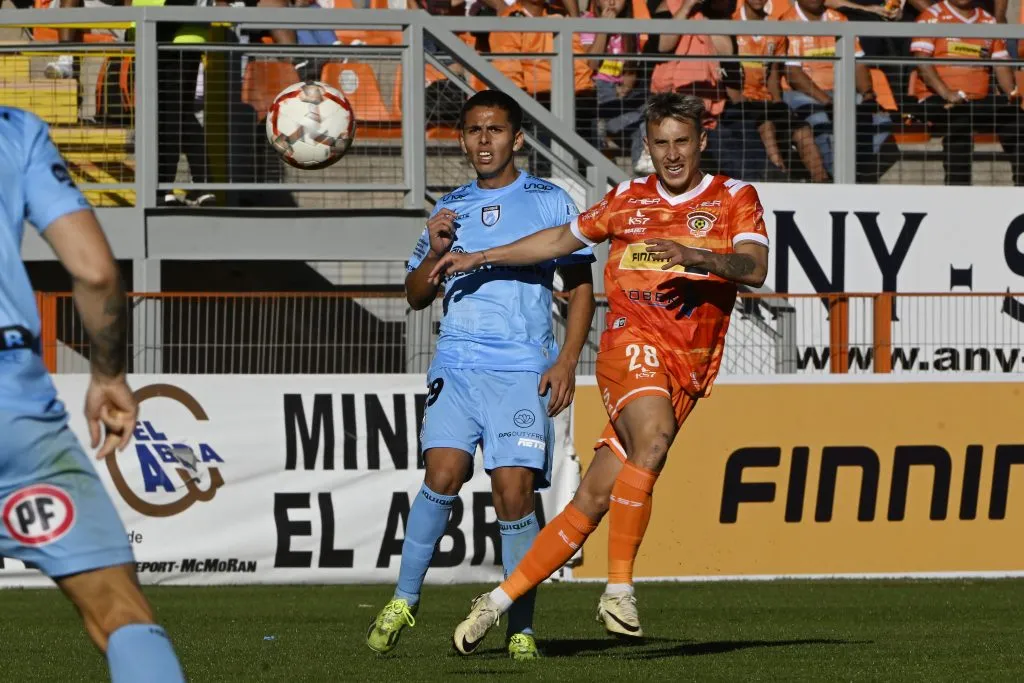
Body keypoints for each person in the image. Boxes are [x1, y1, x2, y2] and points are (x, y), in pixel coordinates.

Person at [429, 92, 770, 652]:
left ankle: (495, 603)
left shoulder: (735, 197)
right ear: (647, 147)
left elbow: (754, 266)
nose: (672, 154)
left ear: (701, 141)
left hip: (687, 368)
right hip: (630, 345)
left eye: (682, 141)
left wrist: (704, 259)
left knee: (591, 499)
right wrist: (480, 256)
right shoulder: (626, 199)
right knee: (654, 437)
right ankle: (618, 588)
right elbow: (559, 241)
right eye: (660, 144)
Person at [364, 90, 596, 660]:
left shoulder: (548, 202)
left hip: (521, 367)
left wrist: (566, 360)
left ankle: (521, 627)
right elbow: (416, 295)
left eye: (494, 130)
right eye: (472, 130)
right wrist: (432, 253)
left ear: (517, 138)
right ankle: (405, 598)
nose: (483, 140)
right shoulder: (450, 207)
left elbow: (582, 288)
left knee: (513, 493)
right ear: (462, 138)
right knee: (442, 474)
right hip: (457, 365)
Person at [0, 106, 185, 681]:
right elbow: (97, 272)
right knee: (119, 612)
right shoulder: (14, 131)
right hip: (15, 410)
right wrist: (107, 374)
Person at [908, 0, 1022, 185]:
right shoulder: (931, 16)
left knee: (1016, 118)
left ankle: (1021, 189)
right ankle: (958, 191)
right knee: (960, 119)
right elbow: (922, 62)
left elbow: (1001, 64)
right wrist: (946, 93)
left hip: (977, 100)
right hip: (937, 98)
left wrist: (1011, 93)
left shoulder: (988, 21)